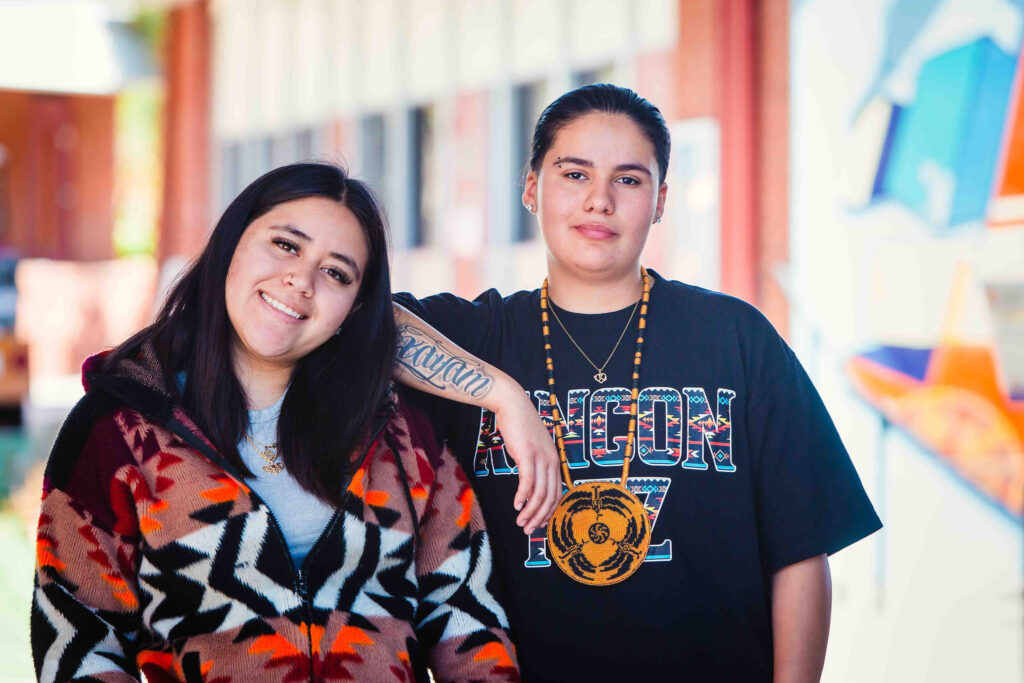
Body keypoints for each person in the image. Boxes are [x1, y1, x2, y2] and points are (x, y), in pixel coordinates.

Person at [394, 84, 882, 681]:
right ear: (530, 188)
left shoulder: (735, 338)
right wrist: (502, 394)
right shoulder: (478, 337)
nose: (599, 200)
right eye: (573, 174)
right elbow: (354, 320)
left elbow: (801, 553)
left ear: (659, 201)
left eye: (628, 180)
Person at [30, 162, 519, 682]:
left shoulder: (406, 435)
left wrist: (506, 398)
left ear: (352, 310)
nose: (300, 281)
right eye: (286, 245)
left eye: (336, 273)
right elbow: (79, 641)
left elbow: (468, 624)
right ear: (231, 245)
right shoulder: (117, 429)